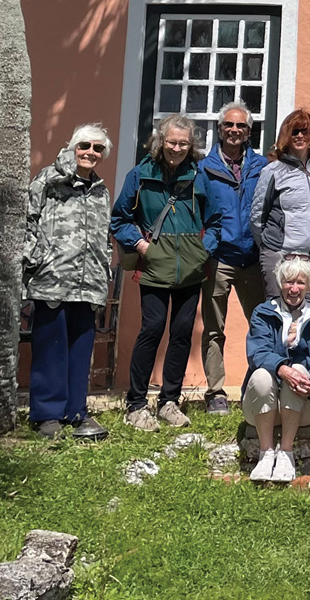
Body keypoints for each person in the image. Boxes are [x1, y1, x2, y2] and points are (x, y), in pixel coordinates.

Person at [111, 114, 219, 431]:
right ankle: (136, 404)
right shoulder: (141, 175)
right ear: (160, 140)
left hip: (191, 269)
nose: (176, 148)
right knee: (152, 330)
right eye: (171, 142)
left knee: (182, 333)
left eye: (183, 143)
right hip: (155, 266)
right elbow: (119, 219)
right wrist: (142, 247)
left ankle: (169, 401)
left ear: (192, 146)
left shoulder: (200, 177)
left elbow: (214, 221)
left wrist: (204, 251)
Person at [23, 123, 114, 440]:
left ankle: (77, 414)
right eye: (84, 146)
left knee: (79, 351)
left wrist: (105, 269)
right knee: (51, 350)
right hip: (52, 279)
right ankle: (47, 415)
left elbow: (104, 236)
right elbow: (27, 219)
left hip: (89, 285)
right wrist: (35, 258)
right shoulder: (50, 179)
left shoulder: (101, 191)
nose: (90, 152)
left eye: (97, 149)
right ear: (72, 148)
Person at [199, 102, 271, 416]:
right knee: (214, 328)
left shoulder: (262, 166)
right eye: (229, 125)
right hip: (219, 259)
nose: (234, 130)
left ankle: (253, 386)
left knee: (261, 326)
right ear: (220, 129)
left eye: (240, 126)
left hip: (253, 259)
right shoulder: (205, 167)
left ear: (249, 132)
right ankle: (215, 392)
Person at [244, 256, 310, 482]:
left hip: (303, 407)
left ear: (308, 286)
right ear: (279, 283)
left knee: (298, 369)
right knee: (261, 375)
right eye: (288, 282)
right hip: (262, 404)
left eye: (300, 283)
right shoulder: (263, 313)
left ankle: (286, 453)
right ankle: (266, 453)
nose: (293, 289)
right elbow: (257, 352)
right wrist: (281, 368)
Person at [249, 109, 310, 308]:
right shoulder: (272, 171)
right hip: (282, 257)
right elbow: (257, 218)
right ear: (286, 135)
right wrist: (273, 247)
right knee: (281, 319)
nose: (300, 136)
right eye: (295, 131)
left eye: (305, 131)